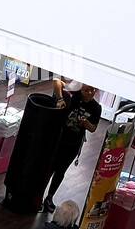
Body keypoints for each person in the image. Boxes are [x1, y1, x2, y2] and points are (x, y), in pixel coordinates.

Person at [42, 80, 102, 213]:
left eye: (93, 90)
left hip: (73, 143)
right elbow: (57, 82)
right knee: (49, 167)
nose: (90, 93)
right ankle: (39, 194)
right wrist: (60, 98)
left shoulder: (96, 108)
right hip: (58, 139)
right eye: (87, 90)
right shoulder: (73, 95)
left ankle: (49, 197)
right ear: (81, 89)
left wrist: (86, 123)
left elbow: (93, 128)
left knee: (60, 171)